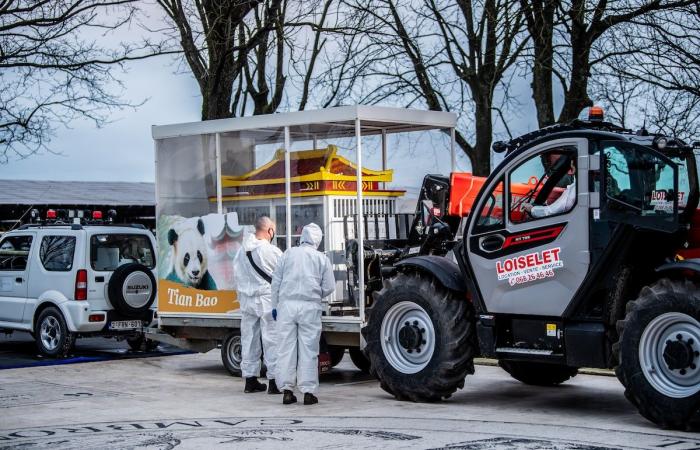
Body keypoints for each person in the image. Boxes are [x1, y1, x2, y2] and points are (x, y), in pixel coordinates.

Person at [271, 223, 335, 405]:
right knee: (309, 350)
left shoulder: (288, 254)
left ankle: (287, 391)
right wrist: (316, 294)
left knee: (285, 350)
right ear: (318, 240)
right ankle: (308, 392)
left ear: (302, 237)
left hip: (286, 307)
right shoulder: (321, 258)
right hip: (309, 307)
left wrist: (275, 306)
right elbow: (329, 286)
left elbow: (276, 282)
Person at [232, 216, 283, 394]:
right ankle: (275, 383)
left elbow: (236, 277)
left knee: (249, 340)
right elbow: (283, 274)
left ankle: (250, 381)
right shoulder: (271, 251)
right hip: (267, 300)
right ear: (270, 231)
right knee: (272, 341)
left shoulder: (241, 252)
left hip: (247, 301)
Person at [522, 154, 576, 218]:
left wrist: (532, 209)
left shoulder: (573, 189)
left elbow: (550, 211)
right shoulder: (575, 186)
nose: (545, 161)